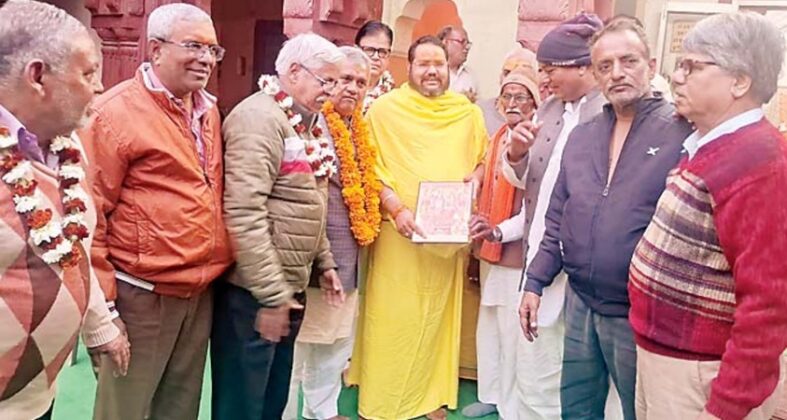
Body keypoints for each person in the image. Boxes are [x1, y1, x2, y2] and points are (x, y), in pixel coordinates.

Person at [517, 18, 693, 419]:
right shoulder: (584, 136)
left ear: (650, 64)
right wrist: (535, 281)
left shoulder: (681, 133)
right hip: (581, 302)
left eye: (628, 61)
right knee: (577, 409)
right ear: (594, 73)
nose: (617, 73)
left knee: (641, 410)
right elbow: (558, 215)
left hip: (642, 309)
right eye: (605, 65)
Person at [629, 12, 787, 420]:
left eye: (692, 66)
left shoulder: (758, 163)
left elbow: (770, 301)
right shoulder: (706, 145)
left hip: (701, 374)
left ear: (740, 81)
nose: (676, 77)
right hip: (667, 359)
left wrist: (727, 406)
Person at [80, 4, 232, 420]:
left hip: (197, 294)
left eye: (213, 50)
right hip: (139, 296)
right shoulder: (114, 113)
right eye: (194, 46)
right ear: (156, 49)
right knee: (125, 411)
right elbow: (88, 215)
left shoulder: (207, 110)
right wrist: (106, 311)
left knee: (179, 410)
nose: (205, 59)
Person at [346, 35, 487, 420]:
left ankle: (430, 397)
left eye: (438, 64)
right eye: (423, 63)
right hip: (400, 234)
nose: (431, 71)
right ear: (407, 68)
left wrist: (473, 182)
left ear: (449, 68)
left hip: (445, 243)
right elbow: (370, 167)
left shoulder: (467, 113)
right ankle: (383, 397)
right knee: (392, 317)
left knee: (436, 318)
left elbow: (481, 162)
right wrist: (395, 207)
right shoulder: (385, 111)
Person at [0, 1, 129, 419]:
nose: (98, 87)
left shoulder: (66, 147)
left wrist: (98, 326)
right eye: (89, 72)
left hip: (38, 399)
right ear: (38, 76)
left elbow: (75, 250)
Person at [213, 33, 343, 420]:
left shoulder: (304, 123)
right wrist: (270, 295)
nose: (332, 92)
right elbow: (243, 212)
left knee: (272, 402)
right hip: (254, 294)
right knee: (243, 406)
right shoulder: (259, 120)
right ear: (294, 72)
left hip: (288, 288)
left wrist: (327, 263)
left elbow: (307, 201)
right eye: (327, 81)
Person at [500, 13, 607, 419]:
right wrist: (516, 152)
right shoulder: (549, 109)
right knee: (536, 363)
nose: (543, 80)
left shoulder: (610, 115)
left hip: (583, 272)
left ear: (583, 66)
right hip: (539, 257)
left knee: (579, 377)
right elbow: (526, 180)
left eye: (550, 70)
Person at [283, 46, 380, 420]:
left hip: (350, 258)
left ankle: (322, 411)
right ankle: (286, 412)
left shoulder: (360, 129)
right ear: (327, 82)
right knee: (299, 347)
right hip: (313, 262)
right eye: (343, 80)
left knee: (337, 342)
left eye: (360, 82)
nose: (352, 89)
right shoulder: (306, 124)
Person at [464, 67, 542, 419]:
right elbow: (485, 173)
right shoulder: (498, 137)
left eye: (520, 97)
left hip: (518, 253)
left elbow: (537, 208)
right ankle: (490, 393)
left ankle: (511, 405)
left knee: (513, 333)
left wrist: (499, 232)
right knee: (489, 324)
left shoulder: (538, 141)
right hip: (491, 251)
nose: (511, 104)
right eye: (506, 97)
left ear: (534, 104)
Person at [478, 45, 539, 137]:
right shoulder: (479, 111)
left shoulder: (543, 119)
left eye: (521, 72)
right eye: (507, 72)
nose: (512, 78)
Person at [355, 21, 395, 113]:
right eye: (369, 50)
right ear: (357, 50)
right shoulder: (340, 88)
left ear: (388, 55)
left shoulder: (395, 99)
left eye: (382, 51)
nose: (376, 57)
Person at [438, 25, 479, 102]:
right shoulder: (434, 73)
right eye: (462, 42)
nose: (466, 47)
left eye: (468, 43)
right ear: (445, 42)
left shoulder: (470, 75)